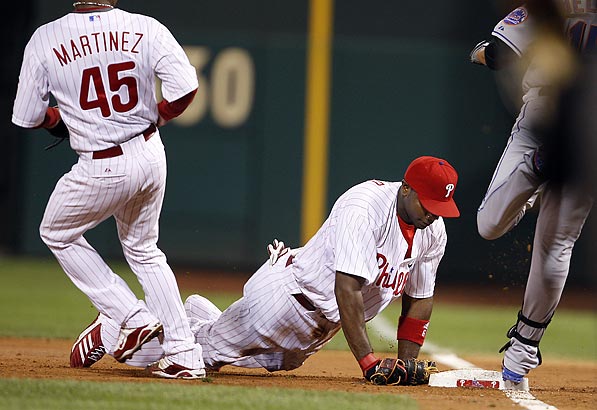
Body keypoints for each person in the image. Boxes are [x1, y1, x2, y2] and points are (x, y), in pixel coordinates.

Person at [73, 155, 460, 384]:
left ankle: (196, 315)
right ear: (406, 189)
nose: (432, 215)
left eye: (439, 208)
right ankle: (115, 329)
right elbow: (347, 288)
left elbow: (420, 299)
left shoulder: (433, 231)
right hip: (285, 300)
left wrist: (408, 364)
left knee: (273, 363)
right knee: (194, 360)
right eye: (427, 204)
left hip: (315, 329)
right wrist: (369, 363)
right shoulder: (365, 207)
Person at [11, 0, 205, 379]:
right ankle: (184, 353)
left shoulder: (45, 38)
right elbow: (186, 88)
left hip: (103, 163)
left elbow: (30, 116)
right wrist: (160, 115)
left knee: (56, 232)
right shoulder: (144, 26)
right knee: (145, 250)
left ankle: (130, 316)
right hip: (150, 152)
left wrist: (62, 119)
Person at [469, 1, 594, 383]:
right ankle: (524, 347)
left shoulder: (554, 5)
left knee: (490, 225)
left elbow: (500, 54)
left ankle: (523, 351)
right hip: (588, 134)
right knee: (556, 244)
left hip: (544, 116)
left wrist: (479, 53)